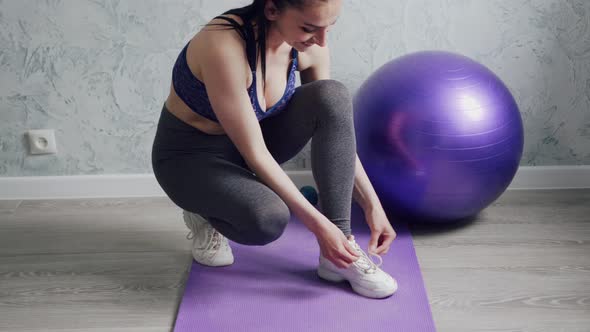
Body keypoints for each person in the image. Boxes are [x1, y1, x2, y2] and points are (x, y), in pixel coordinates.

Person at [151, 0, 398, 299]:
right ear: (271, 10)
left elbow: (338, 131)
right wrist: (319, 227)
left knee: (332, 95)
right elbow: (255, 153)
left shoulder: (310, 46)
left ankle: (339, 257)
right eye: (309, 28)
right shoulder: (222, 46)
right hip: (191, 158)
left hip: (250, 146)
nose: (320, 41)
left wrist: (371, 205)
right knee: (267, 219)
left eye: (328, 28)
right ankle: (204, 212)